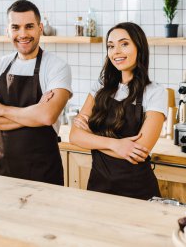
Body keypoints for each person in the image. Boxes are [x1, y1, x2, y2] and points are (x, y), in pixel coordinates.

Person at [0, 0, 72, 185]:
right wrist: (34, 113)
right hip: (4, 171)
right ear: (8, 31)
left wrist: (2, 110)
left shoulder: (57, 67)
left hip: (44, 174)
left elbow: (46, 116)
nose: (22, 34)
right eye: (16, 27)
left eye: (29, 26)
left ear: (40, 28)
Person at [69, 22, 167, 200]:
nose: (116, 52)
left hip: (138, 192)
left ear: (139, 47)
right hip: (98, 188)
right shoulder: (100, 87)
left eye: (124, 44)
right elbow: (75, 136)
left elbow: (139, 152)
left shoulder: (155, 92)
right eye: (111, 46)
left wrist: (92, 137)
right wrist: (117, 145)